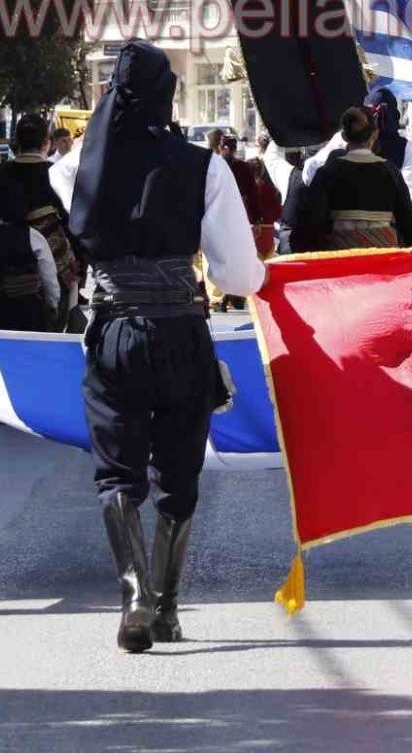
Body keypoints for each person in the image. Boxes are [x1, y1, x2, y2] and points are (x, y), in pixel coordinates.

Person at [51, 40, 265, 653]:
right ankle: (167, 607)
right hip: (178, 329)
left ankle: (135, 595)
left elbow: (77, 184)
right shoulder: (206, 166)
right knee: (178, 467)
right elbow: (235, 278)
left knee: (116, 470)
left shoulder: (73, 169)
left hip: (114, 329)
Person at [0, 113, 77, 328]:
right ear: (47, 142)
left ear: (16, 142)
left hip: (4, 281)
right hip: (57, 274)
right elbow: (75, 224)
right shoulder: (57, 175)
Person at [293, 107, 412, 252]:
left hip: (341, 260)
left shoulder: (327, 172)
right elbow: (410, 227)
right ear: (374, 135)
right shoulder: (390, 172)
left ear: (344, 136)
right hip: (382, 259)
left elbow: (309, 225)